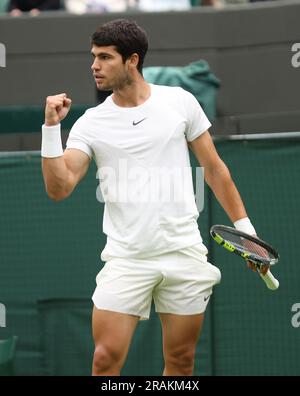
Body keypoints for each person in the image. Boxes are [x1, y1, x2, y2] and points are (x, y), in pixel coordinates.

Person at [41, 19, 267, 376]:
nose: (94, 66)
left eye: (104, 57)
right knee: (104, 361)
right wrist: (51, 129)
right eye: (93, 57)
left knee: (180, 363)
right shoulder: (90, 123)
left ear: (132, 60)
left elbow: (214, 169)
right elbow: (60, 187)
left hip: (183, 254)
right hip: (126, 259)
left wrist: (247, 231)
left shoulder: (180, 102)